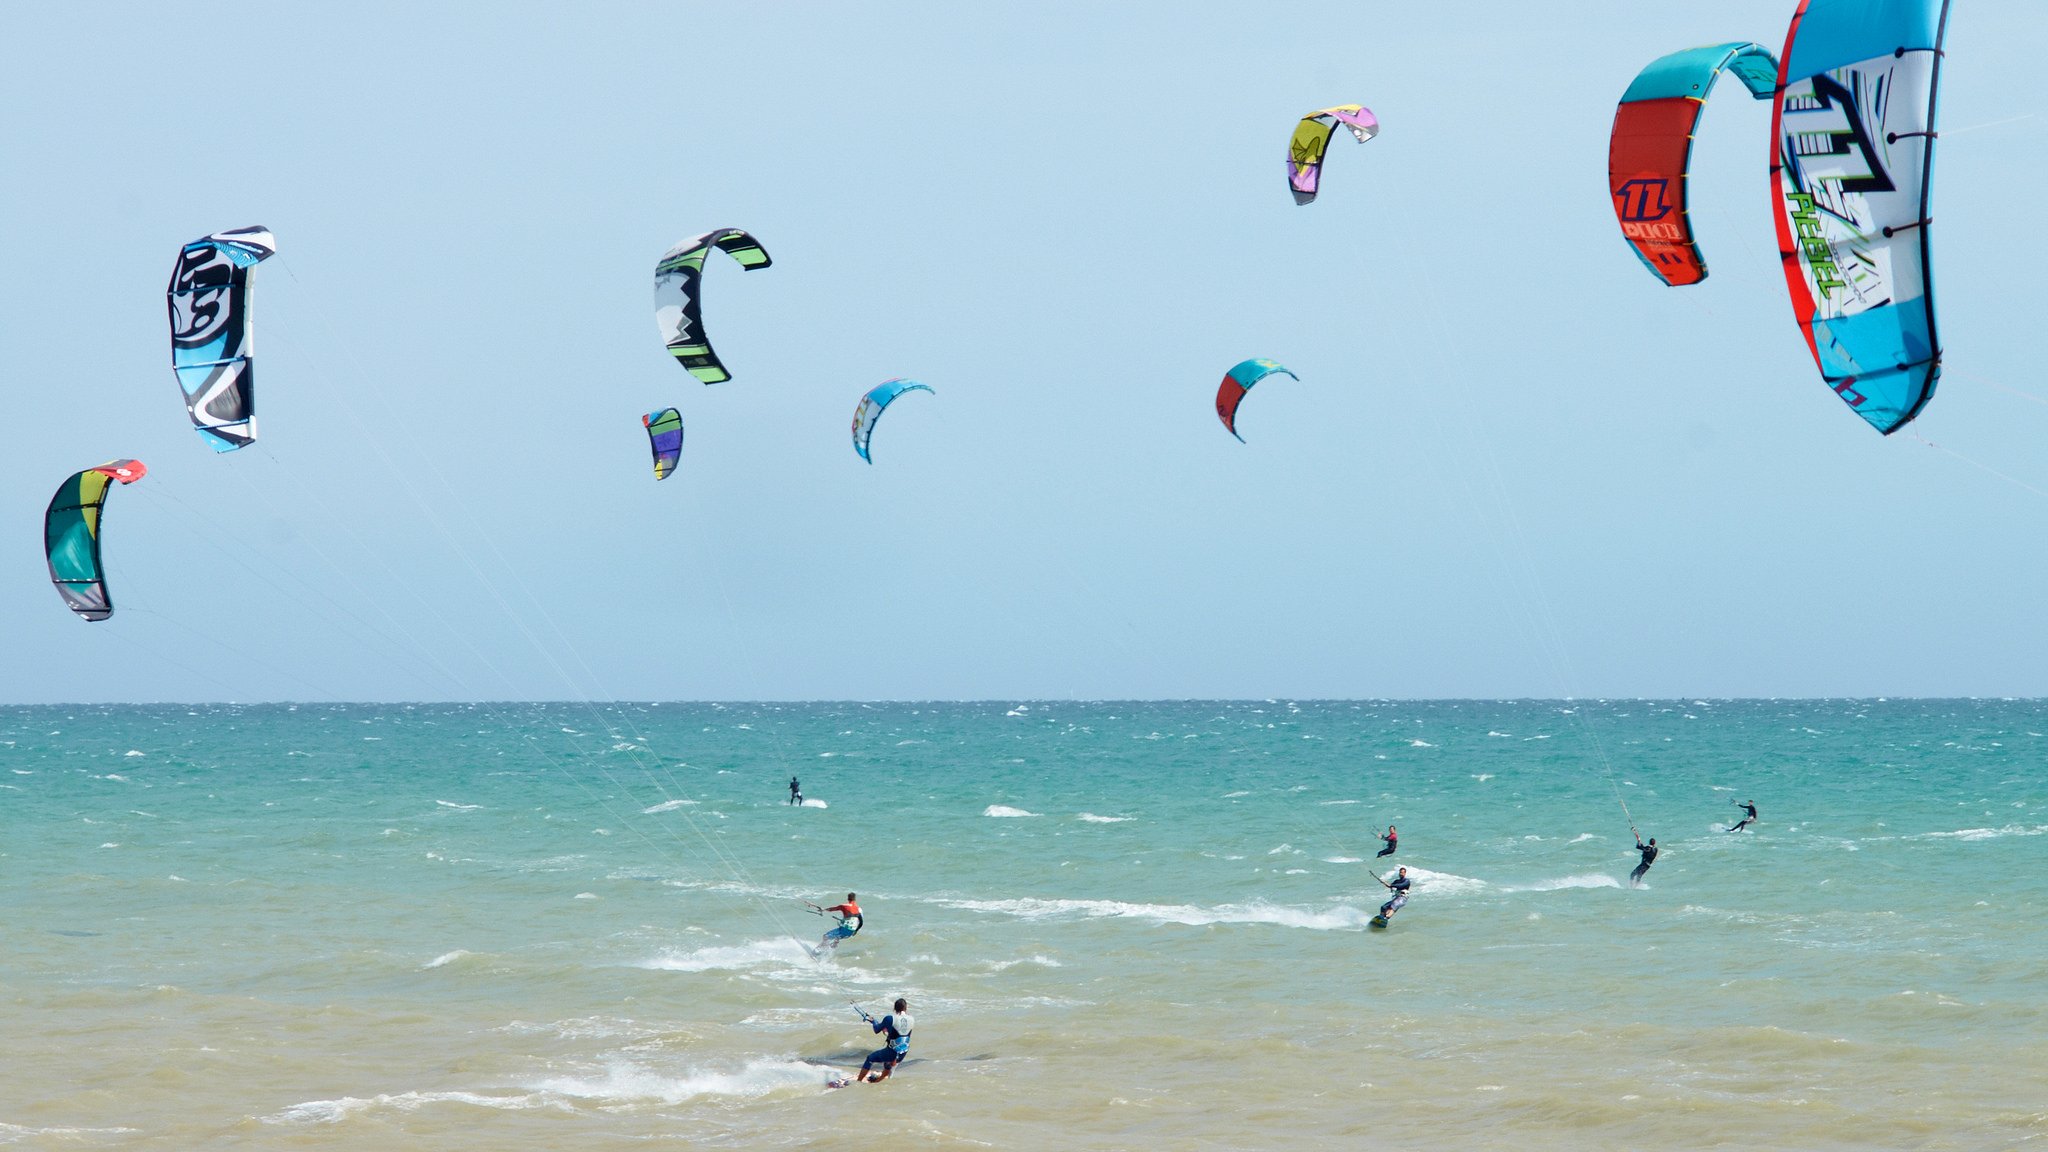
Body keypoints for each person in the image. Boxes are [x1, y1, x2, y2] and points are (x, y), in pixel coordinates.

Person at [859, 997, 913, 1083]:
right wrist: (887, 1029)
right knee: (887, 1064)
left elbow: (876, 1030)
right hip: (903, 1052)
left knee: (870, 1058)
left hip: (892, 1052)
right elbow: (901, 1032)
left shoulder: (889, 1018)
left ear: (894, 1008)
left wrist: (873, 1022)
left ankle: (858, 1082)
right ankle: (879, 1081)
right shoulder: (911, 1019)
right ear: (906, 1008)